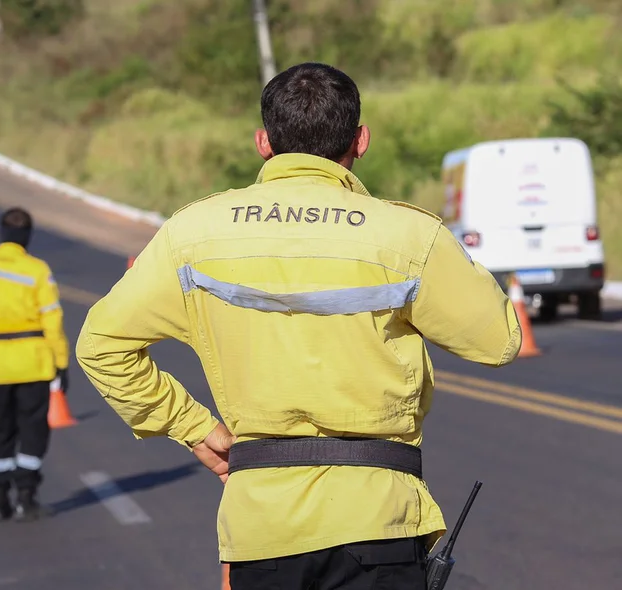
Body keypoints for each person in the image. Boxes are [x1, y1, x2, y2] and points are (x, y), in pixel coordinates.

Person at [76, 62, 521, 590]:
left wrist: (193, 428)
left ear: (264, 143)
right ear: (361, 140)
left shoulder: (191, 233)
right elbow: (499, 341)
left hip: (262, 527)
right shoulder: (407, 234)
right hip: (378, 522)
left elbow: (102, 346)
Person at [0, 207, 70, 522]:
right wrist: (61, 362)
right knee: (33, 429)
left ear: (1, 234)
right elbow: (52, 318)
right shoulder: (37, 270)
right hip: (34, 361)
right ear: (27, 236)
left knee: (2, 429)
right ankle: (26, 495)